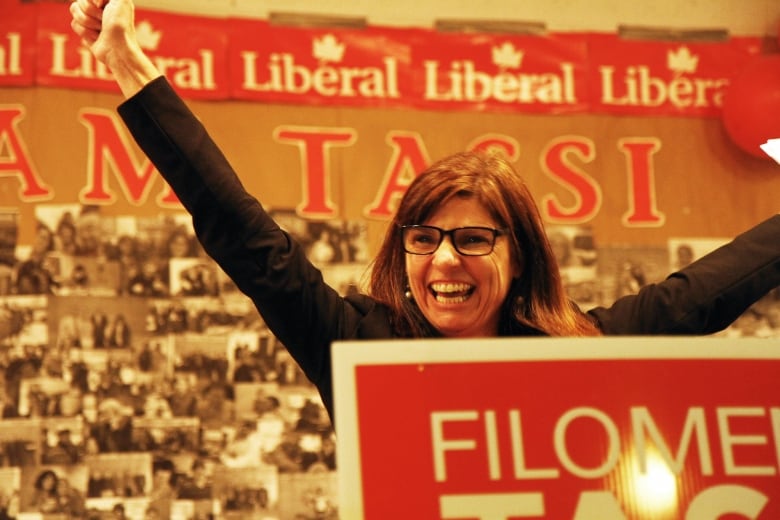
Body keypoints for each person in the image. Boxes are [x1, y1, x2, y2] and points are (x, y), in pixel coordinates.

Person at [70, 0, 780, 423]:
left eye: (472, 238)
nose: (443, 260)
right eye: (424, 237)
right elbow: (245, 237)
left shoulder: (576, 351)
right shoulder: (356, 347)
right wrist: (130, 64)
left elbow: (700, 296)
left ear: (518, 253)